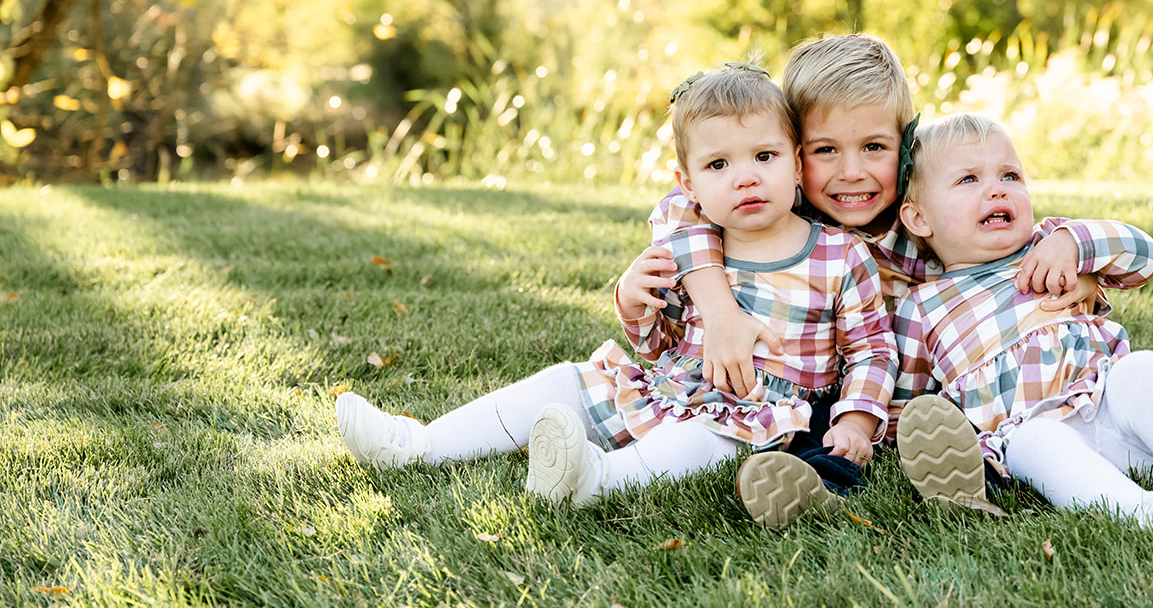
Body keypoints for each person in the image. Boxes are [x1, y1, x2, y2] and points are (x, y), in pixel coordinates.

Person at [336, 65, 897, 522]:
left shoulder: (836, 254)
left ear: (796, 163)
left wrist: (856, 420)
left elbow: (872, 349)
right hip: (669, 387)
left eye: (764, 157)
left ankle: (599, 479)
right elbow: (661, 345)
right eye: (718, 164)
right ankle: (418, 445)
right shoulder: (695, 245)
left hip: (756, 414)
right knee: (566, 381)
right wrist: (634, 307)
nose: (744, 177)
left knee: (701, 442)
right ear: (688, 182)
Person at [641, 34, 1085, 521]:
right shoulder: (777, 213)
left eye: (875, 146)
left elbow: (1009, 238)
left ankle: (963, 480)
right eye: (825, 150)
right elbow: (681, 211)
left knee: (940, 424)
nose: (852, 172)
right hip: (802, 386)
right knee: (813, 431)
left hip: (908, 390)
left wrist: (1068, 263)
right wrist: (721, 312)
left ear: (907, 146)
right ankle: (818, 486)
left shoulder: (929, 220)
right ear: (792, 153)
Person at [890, 113, 1153, 527]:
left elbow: (1143, 256)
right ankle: (1141, 510)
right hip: (1039, 439)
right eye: (968, 180)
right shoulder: (921, 305)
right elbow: (908, 401)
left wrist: (1072, 243)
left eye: (1011, 175)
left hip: (1113, 410)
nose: (997, 190)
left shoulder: (1051, 246)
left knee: (1143, 368)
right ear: (919, 218)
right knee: (1031, 441)